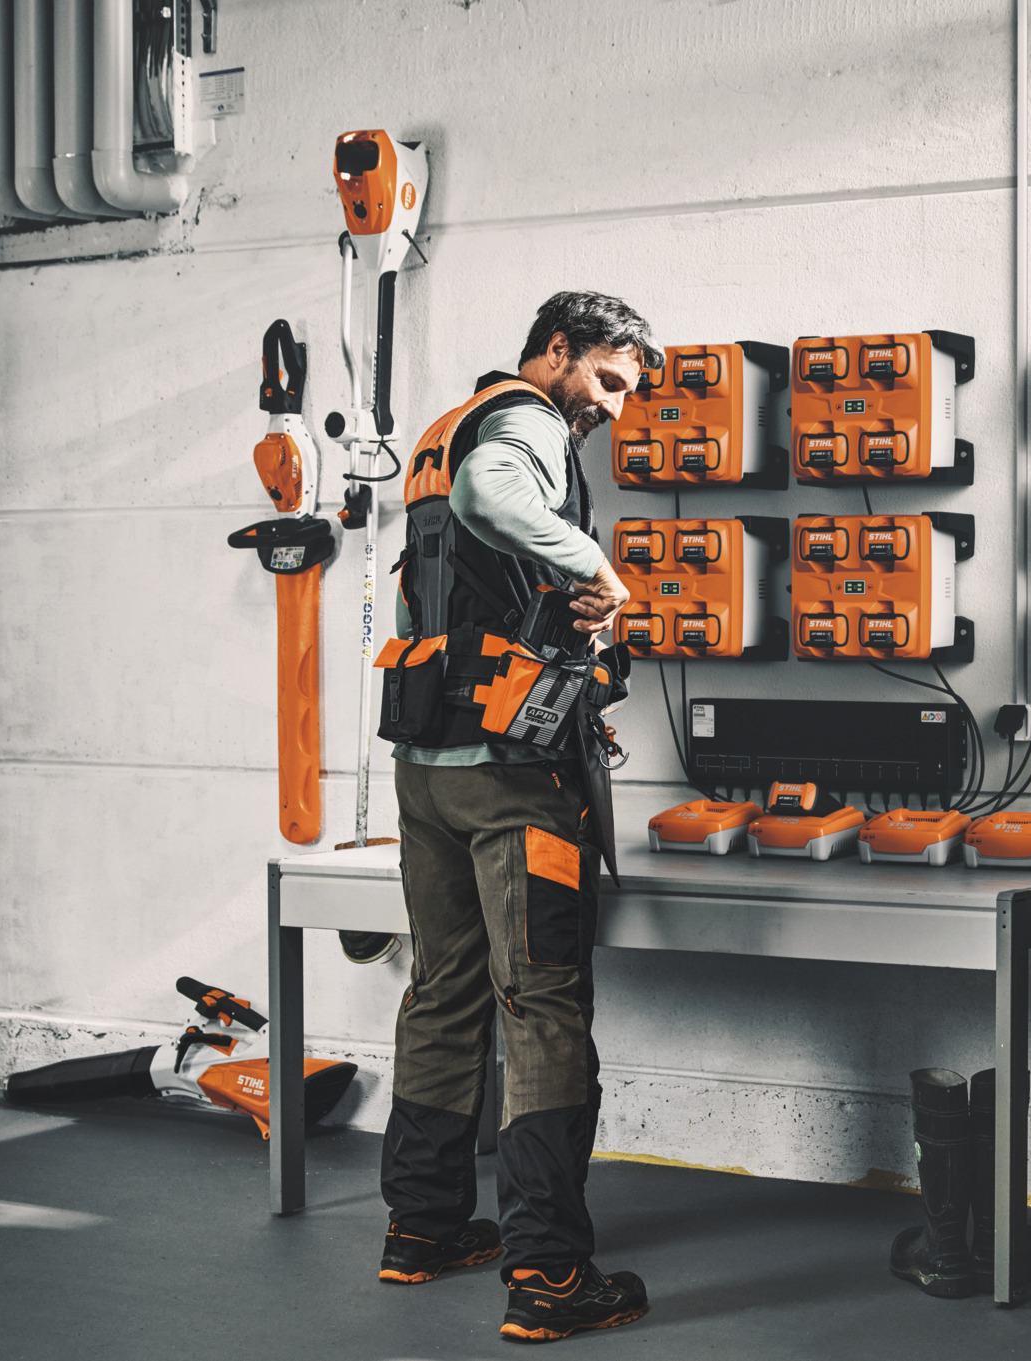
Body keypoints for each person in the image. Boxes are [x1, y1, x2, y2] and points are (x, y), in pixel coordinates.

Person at [360, 291, 659, 1344]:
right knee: (540, 1004)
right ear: (558, 350)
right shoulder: (524, 422)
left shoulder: (447, 429)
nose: (614, 410)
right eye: (608, 381)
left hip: (427, 763)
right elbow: (499, 500)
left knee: (443, 987)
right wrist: (596, 567)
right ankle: (547, 1272)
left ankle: (424, 1225)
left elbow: (451, 571)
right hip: (509, 773)